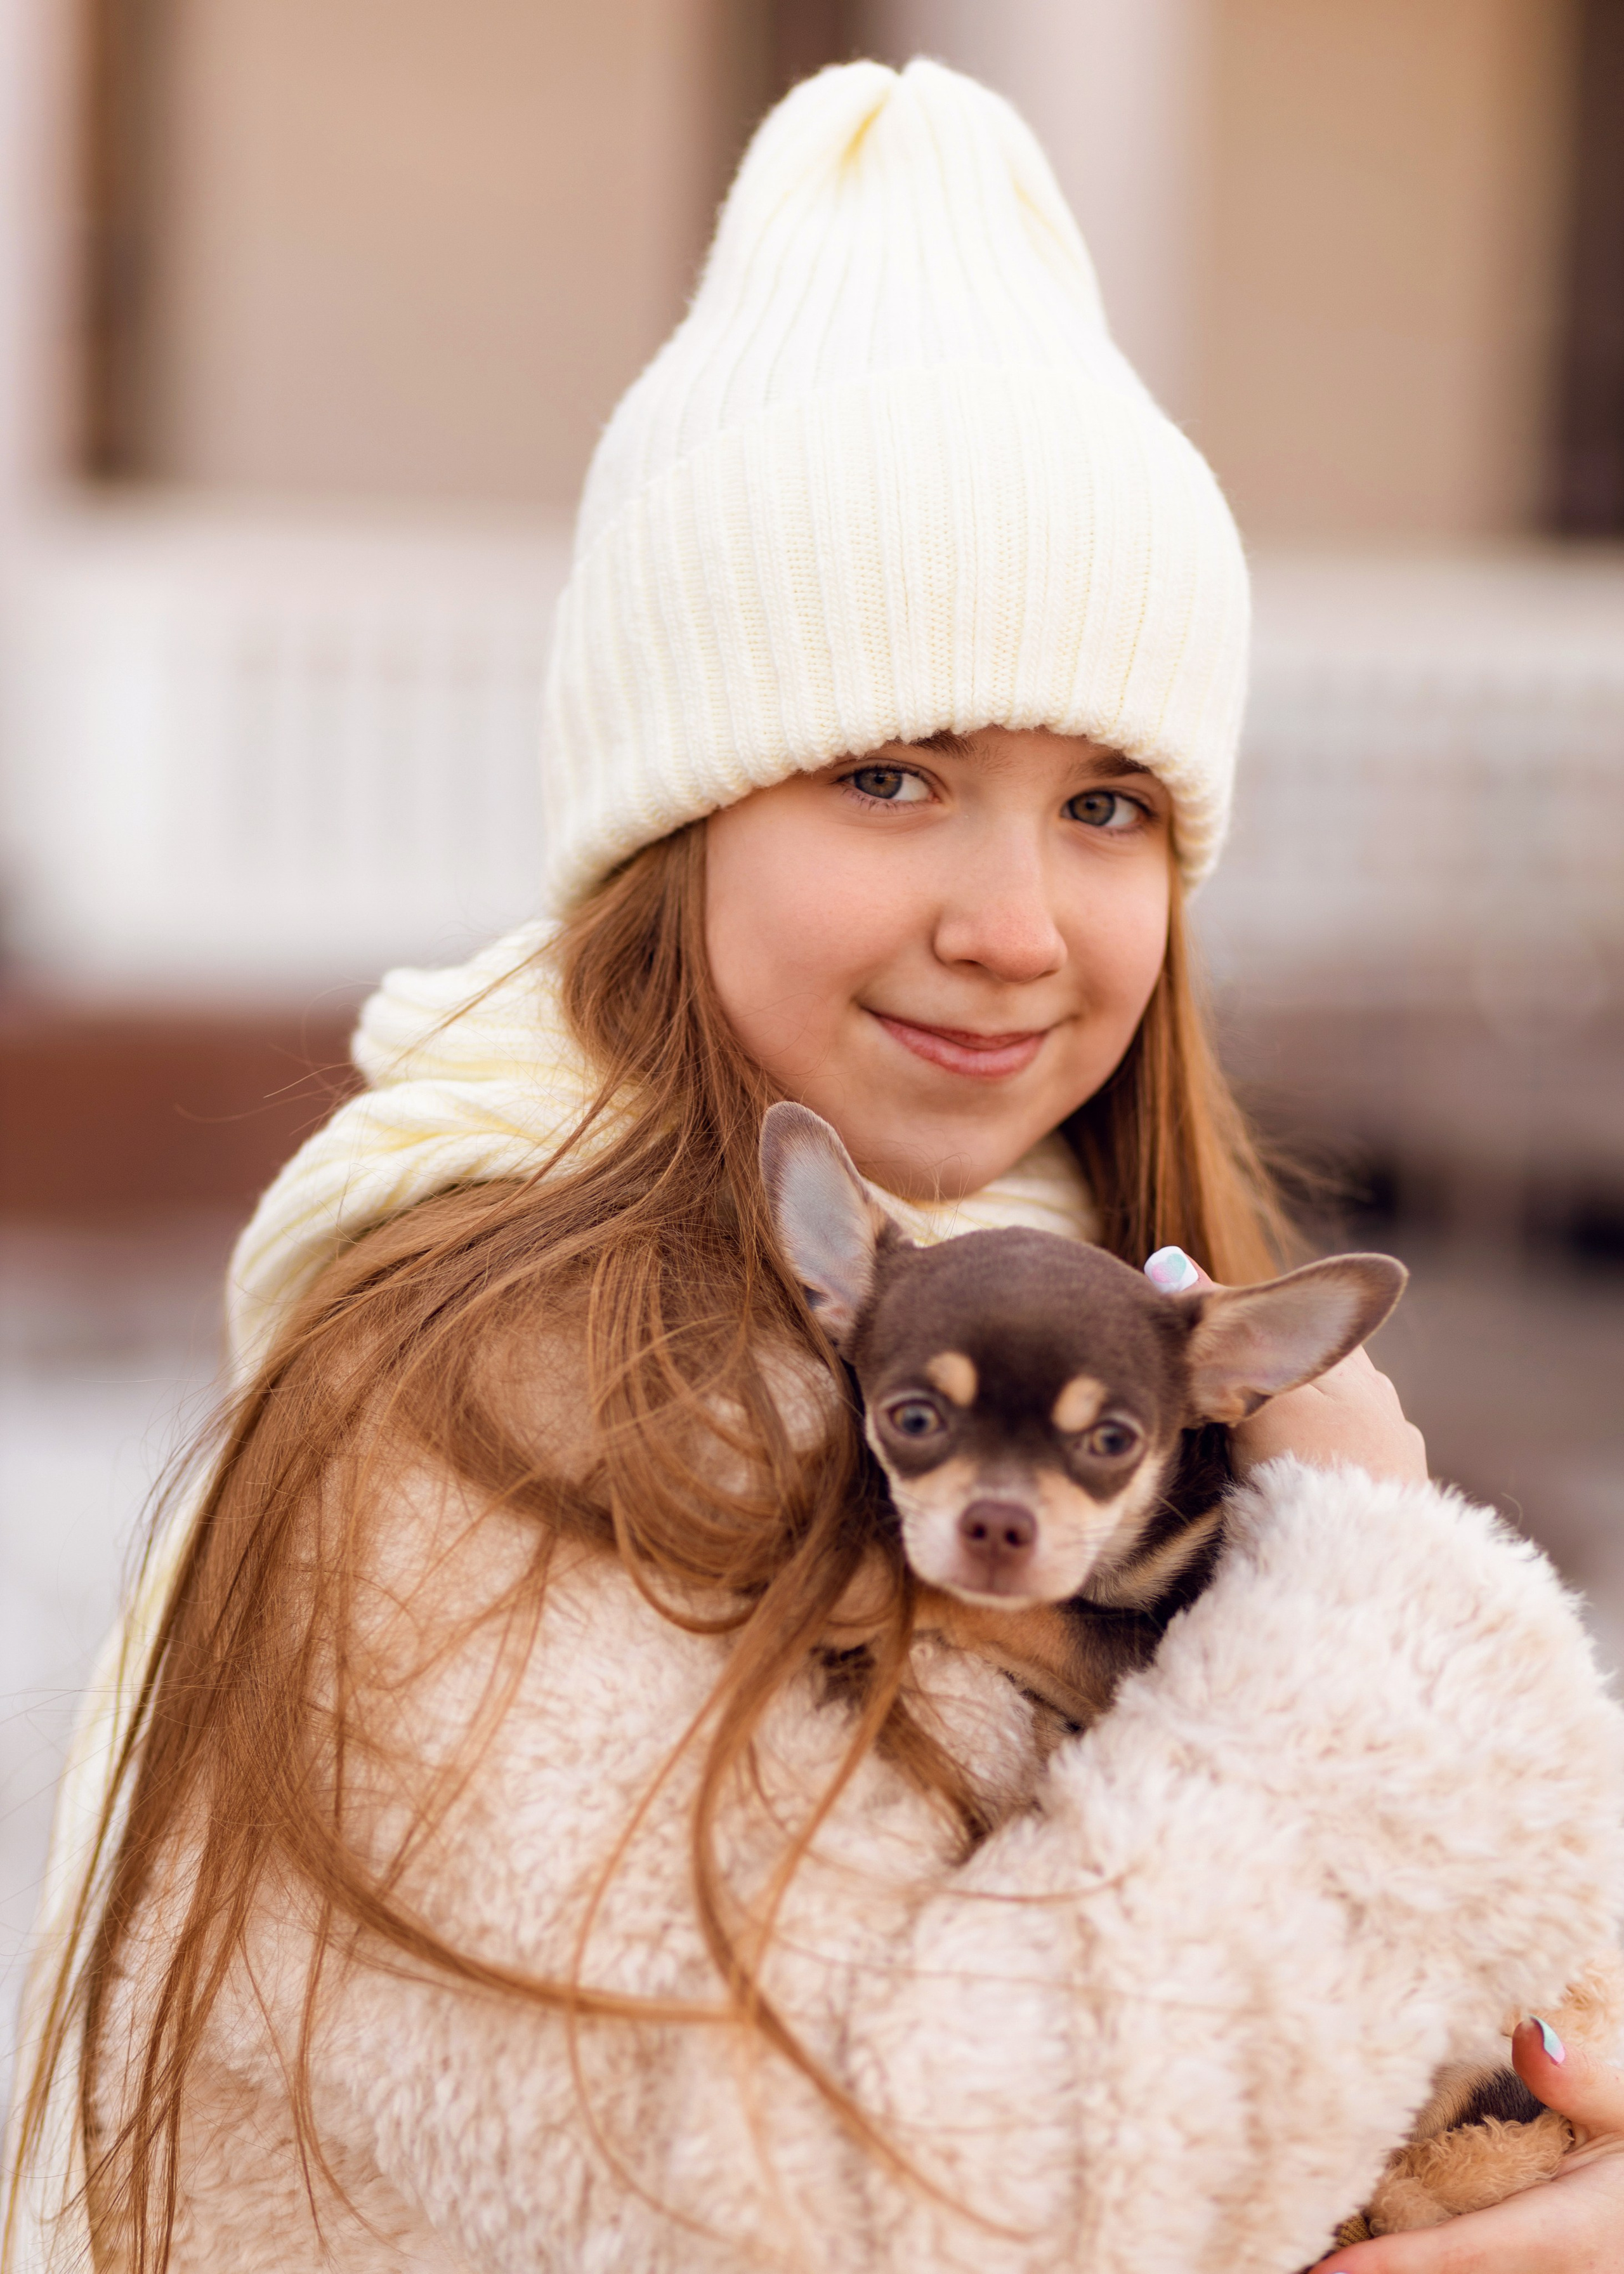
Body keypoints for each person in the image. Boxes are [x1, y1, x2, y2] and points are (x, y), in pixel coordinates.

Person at [7, 58, 1624, 2274]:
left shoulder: (1104, 1327)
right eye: (887, 775)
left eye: (1106, 805)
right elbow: (853, 2218)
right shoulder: (496, 1420)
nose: (1017, 921)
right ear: (680, 824)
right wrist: (1376, 1622)